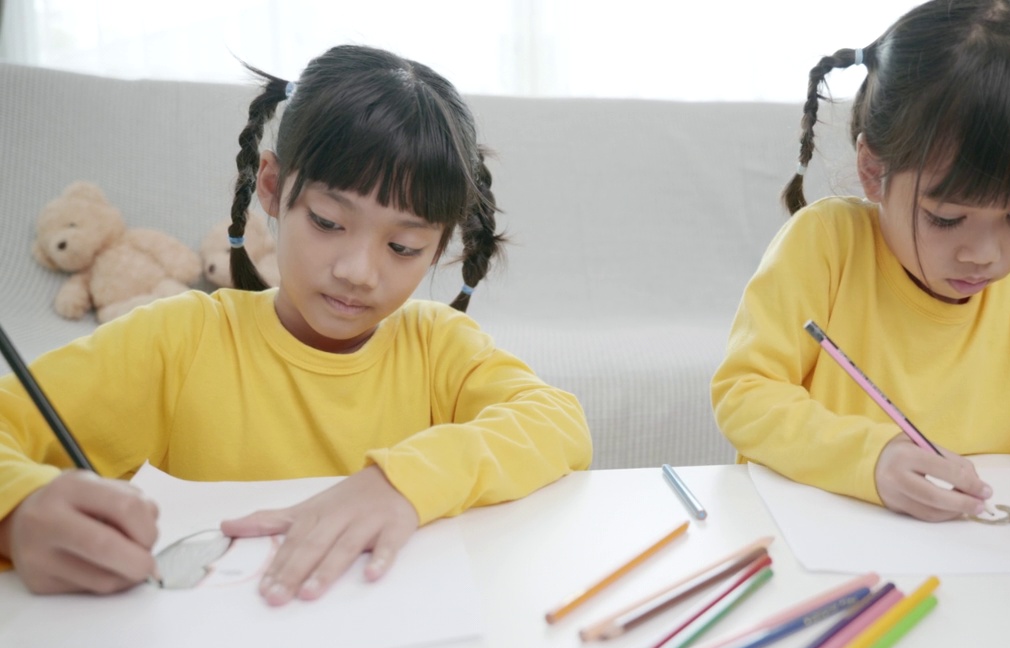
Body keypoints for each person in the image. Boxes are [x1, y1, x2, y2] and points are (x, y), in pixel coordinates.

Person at [0, 45, 592, 603]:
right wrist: (16, 514)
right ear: (273, 188)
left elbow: (558, 424)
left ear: (439, 248)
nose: (358, 272)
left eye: (404, 247)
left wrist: (402, 483)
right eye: (330, 222)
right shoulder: (179, 341)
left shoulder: (439, 347)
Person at [711, 0, 1010, 566]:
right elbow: (746, 392)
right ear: (873, 170)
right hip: (812, 545)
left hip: (959, 561)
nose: (983, 256)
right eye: (946, 218)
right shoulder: (826, 244)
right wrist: (872, 458)